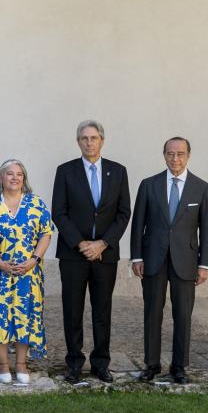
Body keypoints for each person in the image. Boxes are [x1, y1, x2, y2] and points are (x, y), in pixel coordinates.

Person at [51, 120, 131, 384]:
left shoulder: (118, 172)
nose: (89, 142)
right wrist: (81, 243)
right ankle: (74, 362)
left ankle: (101, 362)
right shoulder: (65, 171)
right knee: (72, 310)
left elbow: (123, 213)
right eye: (84, 138)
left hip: (105, 255)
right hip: (74, 255)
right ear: (78, 142)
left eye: (94, 138)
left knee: (102, 310)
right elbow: (59, 213)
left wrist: (103, 243)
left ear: (102, 141)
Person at [130, 137, 208, 385]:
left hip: (186, 261)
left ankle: (179, 366)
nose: (175, 159)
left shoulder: (202, 188)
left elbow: (206, 230)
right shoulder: (149, 185)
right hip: (153, 259)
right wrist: (137, 257)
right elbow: (138, 225)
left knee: (183, 315)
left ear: (188, 155)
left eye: (180, 154)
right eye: (170, 154)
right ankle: (151, 364)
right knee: (152, 312)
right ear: (164, 155)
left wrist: (204, 264)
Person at [0, 159, 52, 384]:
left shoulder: (36, 204)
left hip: (29, 273)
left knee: (26, 316)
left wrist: (33, 260)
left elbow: (46, 233)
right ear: (1, 178)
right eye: (10, 174)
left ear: (24, 179)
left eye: (19, 174)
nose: (15, 178)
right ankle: (2, 364)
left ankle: (21, 363)